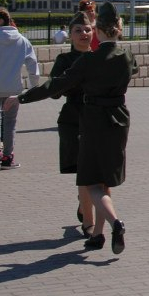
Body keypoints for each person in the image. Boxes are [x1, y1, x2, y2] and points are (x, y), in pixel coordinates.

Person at [19, 3, 135, 255]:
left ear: (97, 31)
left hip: (92, 122)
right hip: (119, 120)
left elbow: (54, 86)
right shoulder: (127, 56)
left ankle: (115, 223)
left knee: (91, 182)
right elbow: (131, 70)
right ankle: (97, 234)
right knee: (105, 181)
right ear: (118, 30)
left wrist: (22, 98)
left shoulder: (89, 60)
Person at [43, 14, 97, 235]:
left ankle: (87, 210)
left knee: (96, 171)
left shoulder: (100, 57)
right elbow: (54, 91)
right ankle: (87, 217)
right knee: (82, 169)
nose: (84, 34)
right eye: (78, 30)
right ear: (70, 36)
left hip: (97, 117)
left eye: (87, 29)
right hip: (73, 118)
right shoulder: (64, 60)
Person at [0, 6, 40, 169]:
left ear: (0, 20)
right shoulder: (22, 40)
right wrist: (34, 84)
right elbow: (32, 62)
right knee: (10, 122)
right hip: (12, 87)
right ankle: (8, 156)